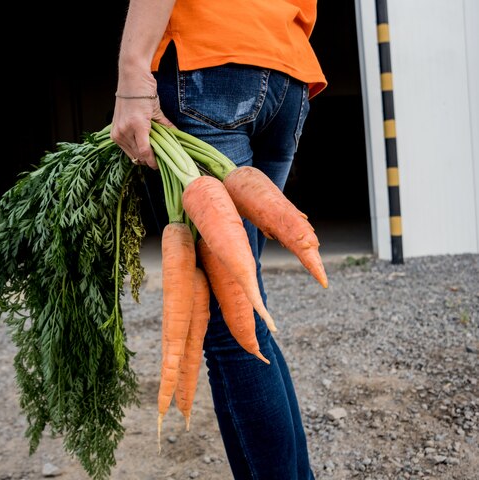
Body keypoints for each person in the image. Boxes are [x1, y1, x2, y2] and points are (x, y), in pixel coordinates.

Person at [111, 1, 327, 478]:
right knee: (248, 315)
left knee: (235, 329)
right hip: (285, 69)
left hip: (207, 65)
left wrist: (132, 74)